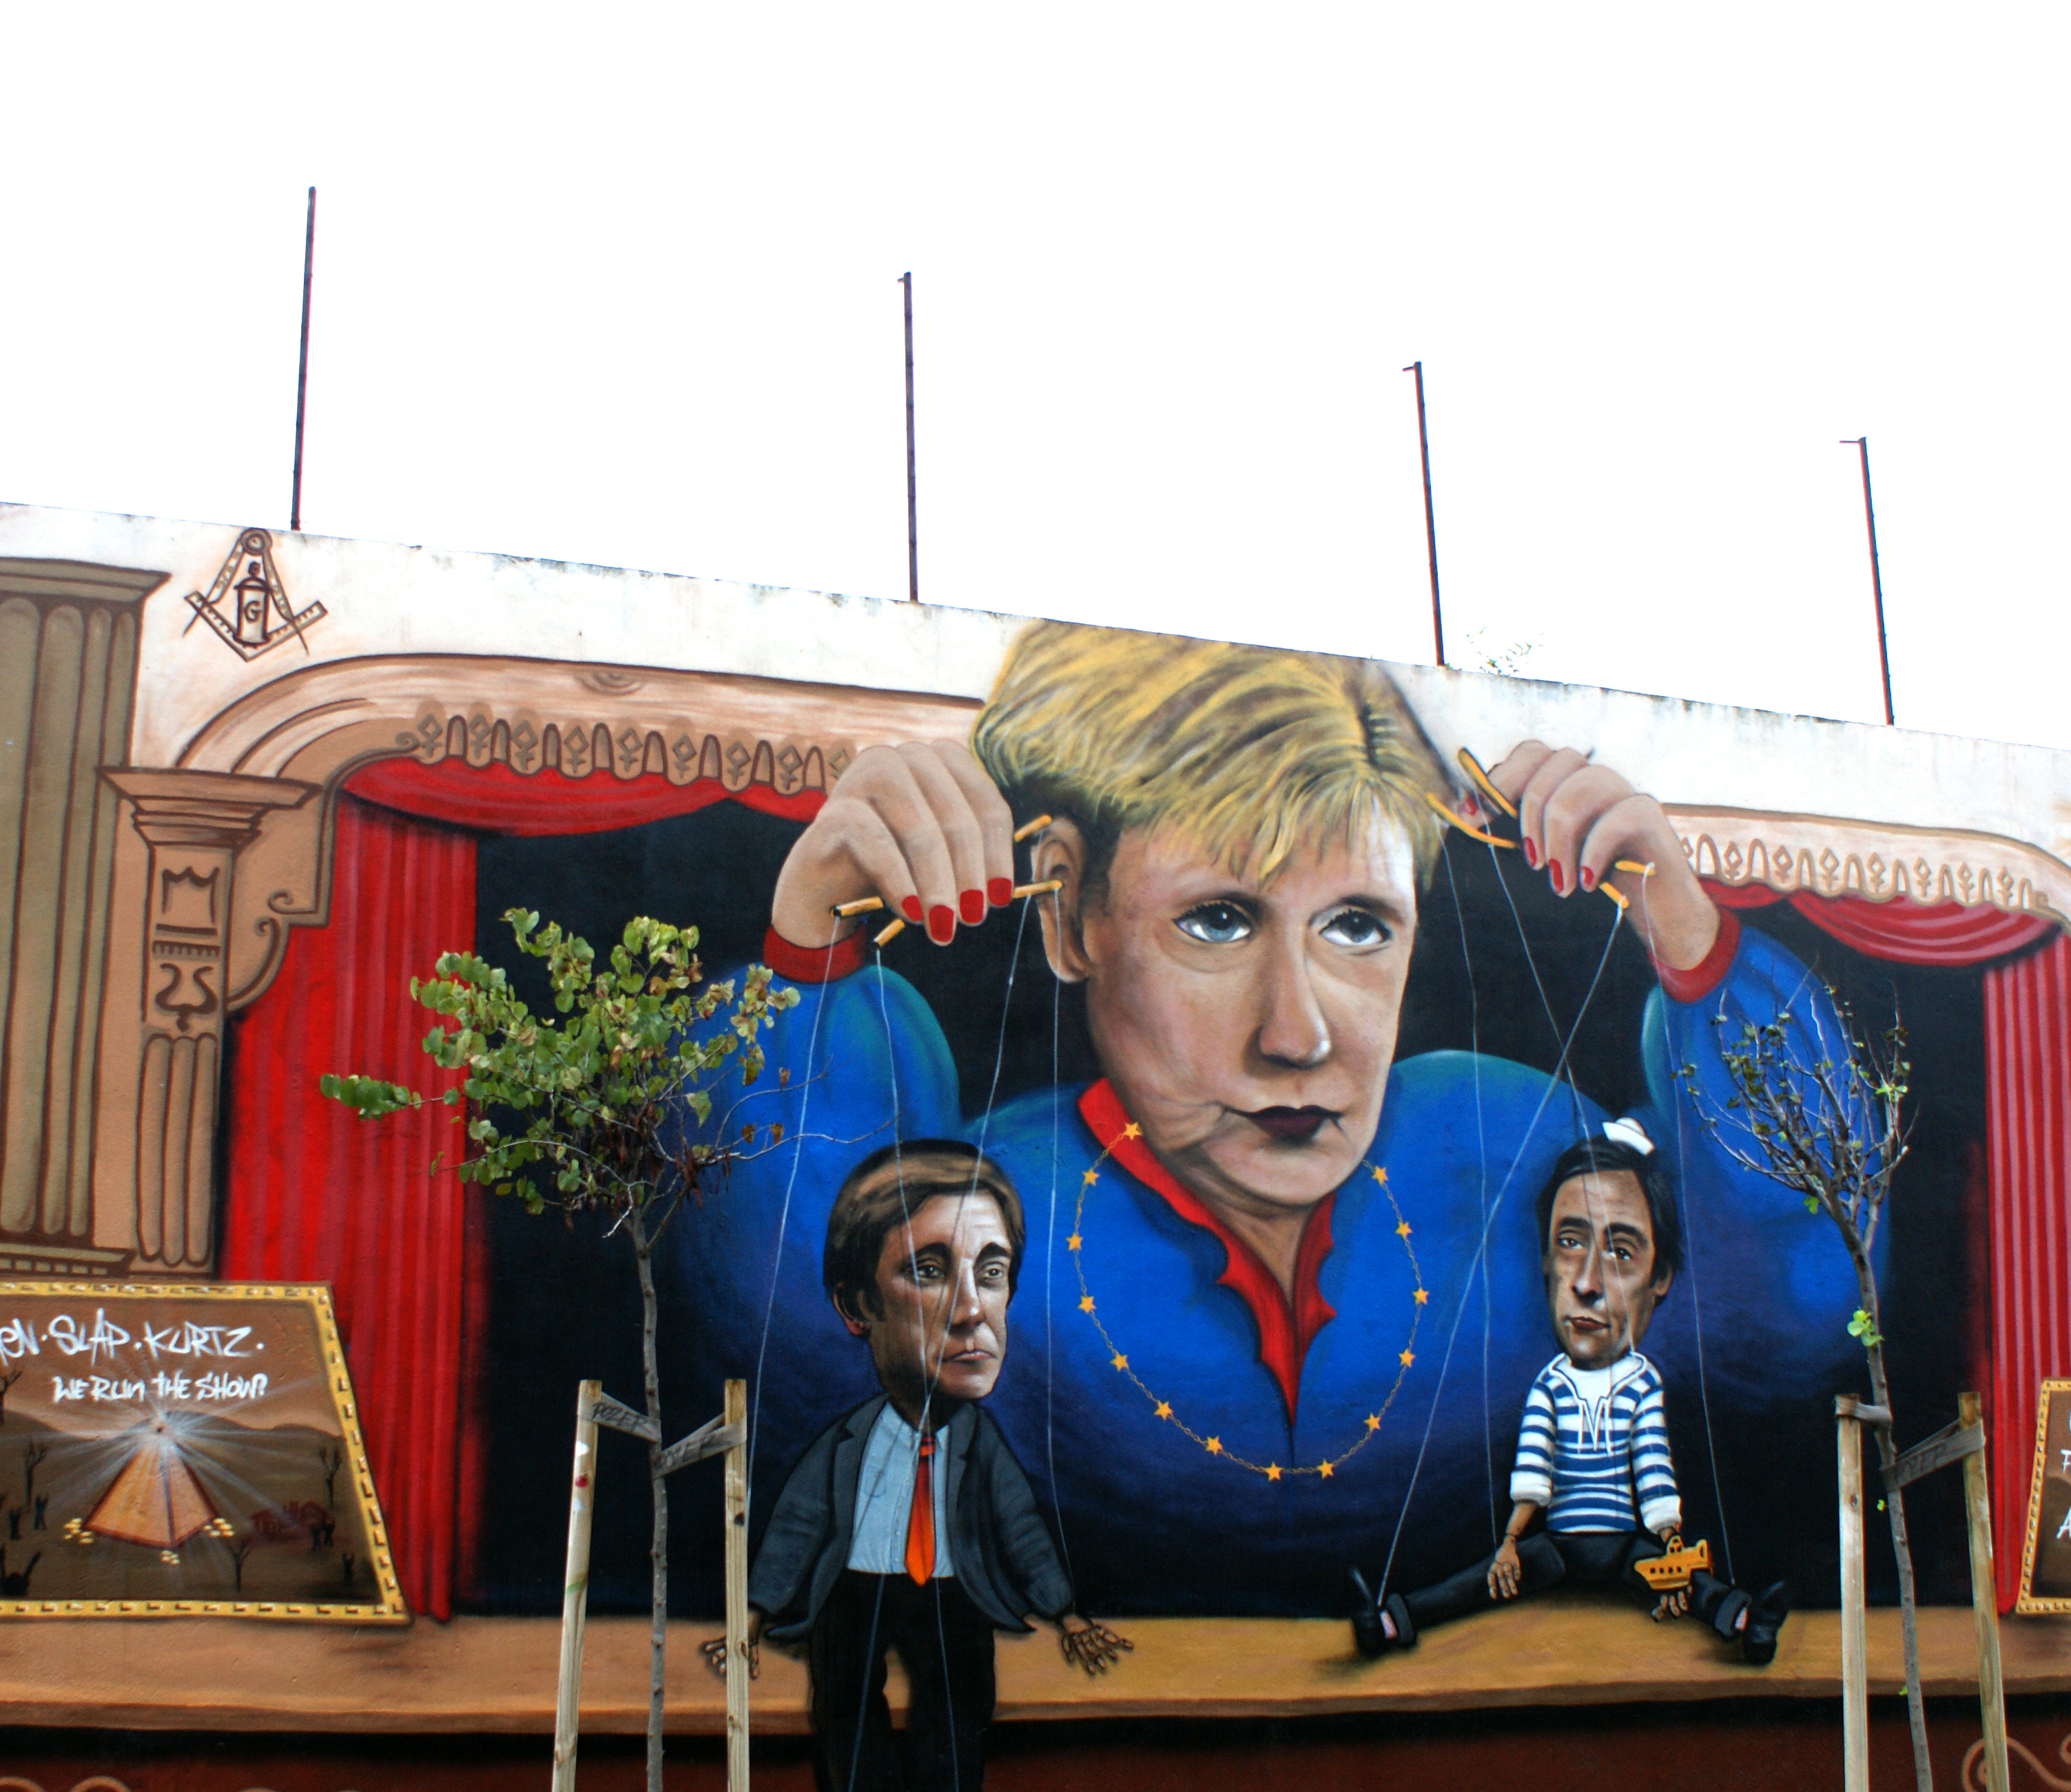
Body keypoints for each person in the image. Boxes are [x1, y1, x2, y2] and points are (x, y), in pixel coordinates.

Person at [670, 620, 1872, 1618]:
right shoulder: (986, 1210)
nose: (1297, 1035)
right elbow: (780, 1330)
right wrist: (805, 952)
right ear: (1069, 914)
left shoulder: (1510, 1152)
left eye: (1358, 926)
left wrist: (1694, 944)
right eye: (1217, 921)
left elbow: (1800, 1303)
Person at [728, 1142, 1126, 1792]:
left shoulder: (980, 1446)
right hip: (857, 1588)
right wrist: (751, 1620)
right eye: (930, 1270)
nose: (972, 1310)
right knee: (846, 1708)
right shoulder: (849, 1443)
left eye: (992, 1272)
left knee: (959, 1709)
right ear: (857, 1304)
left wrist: (1066, 1614)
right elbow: (797, 1529)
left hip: (950, 1591)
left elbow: (1020, 1530)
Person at [1351, 1124, 1791, 1664]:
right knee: (1482, 1581)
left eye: (1621, 1252)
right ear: (1544, 1259)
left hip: (1626, 1548)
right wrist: (1511, 1542)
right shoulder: (1551, 1386)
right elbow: (1533, 1473)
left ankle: (1748, 1621)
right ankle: (1390, 1623)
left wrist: (1670, 1543)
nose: (1586, 1283)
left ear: (1661, 1276)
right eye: (1569, 1241)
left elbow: (1652, 1467)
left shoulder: (1641, 1385)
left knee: (1692, 1586)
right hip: (1556, 1546)